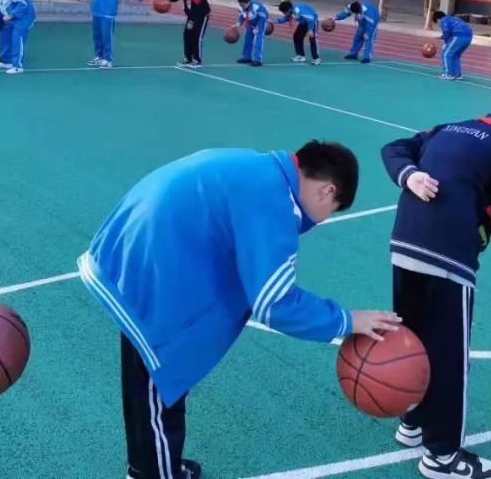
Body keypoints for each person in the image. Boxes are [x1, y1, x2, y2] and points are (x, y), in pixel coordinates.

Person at [78, 141, 399, 479]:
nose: (321, 220)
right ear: (326, 190)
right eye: (332, 209)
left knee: (153, 381)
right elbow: (274, 303)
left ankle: (158, 463)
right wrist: (347, 319)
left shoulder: (259, 168)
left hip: (137, 244)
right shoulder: (273, 200)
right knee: (159, 376)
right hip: (151, 265)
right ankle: (152, 473)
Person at [381, 83, 491, 479]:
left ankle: (412, 422)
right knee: (448, 357)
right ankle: (441, 457)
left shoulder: (449, 128)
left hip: (405, 242)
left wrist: (408, 175)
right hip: (449, 256)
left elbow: (393, 149)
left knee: (412, 339)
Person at [169, 0, 210, 68]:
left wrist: (191, 22)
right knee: (187, 35)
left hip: (201, 15)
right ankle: (187, 58)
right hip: (192, 15)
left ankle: (197, 60)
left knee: (197, 37)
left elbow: (198, 9)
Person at [277, 0, 322, 66]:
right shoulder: (291, 10)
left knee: (312, 38)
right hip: (304, 22)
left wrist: (310, 30)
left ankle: (316, 58)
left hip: (312, 21)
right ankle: (301, 56)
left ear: (288, 10)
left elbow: (311, 19)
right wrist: (275, 21)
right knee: (297, 36)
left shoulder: (299, 10)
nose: (283, 14)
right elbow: (285, 18)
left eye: (284, 12)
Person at [432, 10, 473, 81]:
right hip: (468, 36)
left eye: (436, 22)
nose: (438, 25)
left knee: (446, 54)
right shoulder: (452, 18)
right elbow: (451, 31)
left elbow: (446, 32)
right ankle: (457, 74)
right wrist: (442, 37)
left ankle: (449, 74)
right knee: (455, 55)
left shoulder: (443, 20)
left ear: (438, 19)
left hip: (459, 36)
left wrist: (445, 43)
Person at [236, 0, 269, 67]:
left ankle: (257, 59)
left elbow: (263, 18)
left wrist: (258, 28)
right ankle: (246, 57)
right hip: (250, 25)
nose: (242, 6)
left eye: (243, 5)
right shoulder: (240, 7)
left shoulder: (257, 7)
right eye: (240, 4)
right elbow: (241, 16)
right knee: (247, 39)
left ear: (248, 2)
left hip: (260, 24)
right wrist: (239, 23)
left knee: (258, 40)